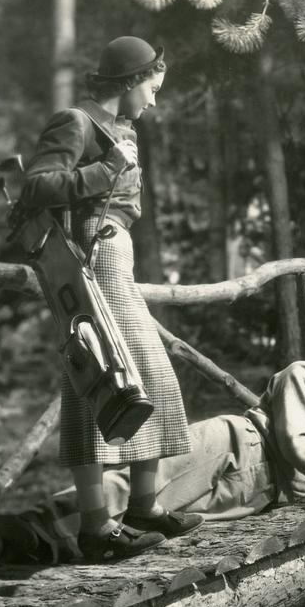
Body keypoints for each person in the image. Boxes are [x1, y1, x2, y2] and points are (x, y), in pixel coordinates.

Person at [0, 334, 305, 565]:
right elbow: (298, 447)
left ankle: (37, 548)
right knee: (136, 491)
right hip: (237, 446)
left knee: (151, 522)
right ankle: (14, 531)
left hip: (260, 494)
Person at [19, 36, 200, 562]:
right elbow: (35, 187)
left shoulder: (121, 129)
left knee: (151, 379)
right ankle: (97, 528)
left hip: (116, 254)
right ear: (129, 81)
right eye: (152, 88)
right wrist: (104, 170)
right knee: (98, 378)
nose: (154, 100)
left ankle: (144, 508)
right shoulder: (77, 121)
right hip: (90, 259)